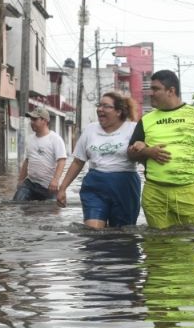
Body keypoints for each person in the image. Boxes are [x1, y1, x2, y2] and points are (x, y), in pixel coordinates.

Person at [128, 69, 194, 229]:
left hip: (189, 192)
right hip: (155, 193)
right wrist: (147, 151)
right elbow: (130, 153)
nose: (151, 93)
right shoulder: (146, 120)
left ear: (171, 91)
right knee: (158, 247)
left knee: (192, 245)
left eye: (156, 89)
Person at [56, 92, 141, 228]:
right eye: (99, 105)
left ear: (118, 111)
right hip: (95, 185)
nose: (100, 109)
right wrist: (62, 188)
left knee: (122, 236)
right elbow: (78, 161)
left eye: (106, 106)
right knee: (93, 232)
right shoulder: (90, 129)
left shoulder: (133, 128)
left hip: (125, 186)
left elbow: (145, 155)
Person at [12, 107, 67, 201]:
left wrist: (55, 180)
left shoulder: (55, 139)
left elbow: (62, 161)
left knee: (53, 211)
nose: (31, 122)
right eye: (31, 119)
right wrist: (20, 180)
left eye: (35, 119)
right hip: (30, 184)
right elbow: (27, 161)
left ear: (44, 121)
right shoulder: (30, 139)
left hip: (49, 186)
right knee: (17, 205)